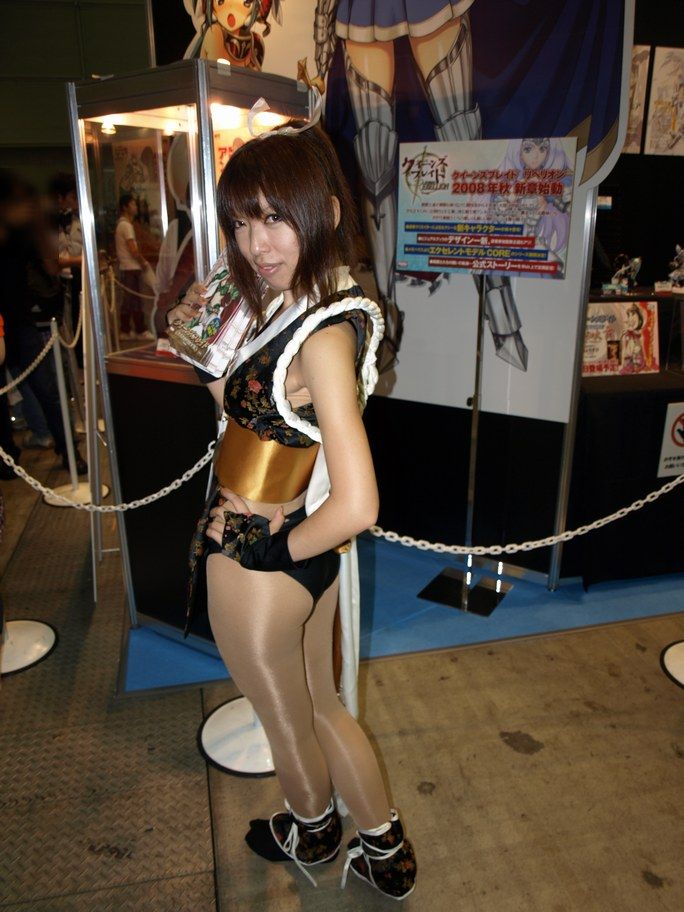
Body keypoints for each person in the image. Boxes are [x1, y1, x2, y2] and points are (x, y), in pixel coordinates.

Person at [179, 122, 417, 899]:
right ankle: (386, 851)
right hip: (302, 558)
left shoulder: (321, 334)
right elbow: (256, 416)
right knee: (323, 708)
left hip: (264, 564)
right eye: (243, 221)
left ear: (326, 211)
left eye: (275, 217)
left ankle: (311, 829)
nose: (256, 242)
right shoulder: (314, 303)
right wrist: (203, 348)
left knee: (289, 722)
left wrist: (269, 547)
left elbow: (360, 502)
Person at [114, 193, 153, 340]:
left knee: (133, 300)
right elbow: (133, 249)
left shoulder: (123, 225)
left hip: (129, 267)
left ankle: (133, 328)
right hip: (130, 267)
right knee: (131, 300)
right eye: (132, 204)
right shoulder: (126, 225)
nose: (135, 207)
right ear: (125, 207)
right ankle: (133, 329)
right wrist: (143, 262)